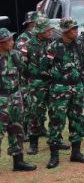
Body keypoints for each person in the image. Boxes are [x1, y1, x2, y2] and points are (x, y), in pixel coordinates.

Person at [46, 18, 84, 167]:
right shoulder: (53, 47)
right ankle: (54, 156)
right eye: (73, 29)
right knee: (57, 121)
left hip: (77, 88)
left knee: (77, 119)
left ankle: (76, 153)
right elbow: (45, 66)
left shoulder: (78, 44)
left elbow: (83, 62)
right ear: (65, 31)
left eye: (76, 28)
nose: (76, 31)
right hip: (60, 89)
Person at [18, 18, 54, 155]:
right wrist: (26, 86)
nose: (50, 32)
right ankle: (33, 144)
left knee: (54, 112)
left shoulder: (52, 43)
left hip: (51, 83)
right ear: (40, 31)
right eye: (48, 30)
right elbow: (22, 67)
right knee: (35, 114)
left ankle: (55, 139)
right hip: (35, 84)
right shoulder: (27, 46)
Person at [1, 28, 35, 172]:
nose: (12, 42)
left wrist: (23, 94)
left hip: (15, 96)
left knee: (17, 129)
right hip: (1, 98)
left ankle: (18, 160)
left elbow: (23, 74)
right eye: (9, 40)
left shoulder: (16, 55)